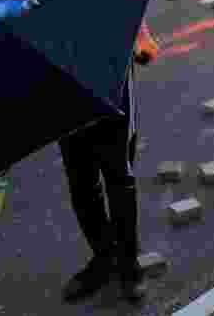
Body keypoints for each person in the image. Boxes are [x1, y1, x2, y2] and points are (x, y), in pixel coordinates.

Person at [58, 20, 159, 304]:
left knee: (119, 182)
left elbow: (145, 49)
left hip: (111, 100)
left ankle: (128, 265)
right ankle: (105, 259)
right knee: (81, 185)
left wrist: (141, 44)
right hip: (66, 100)